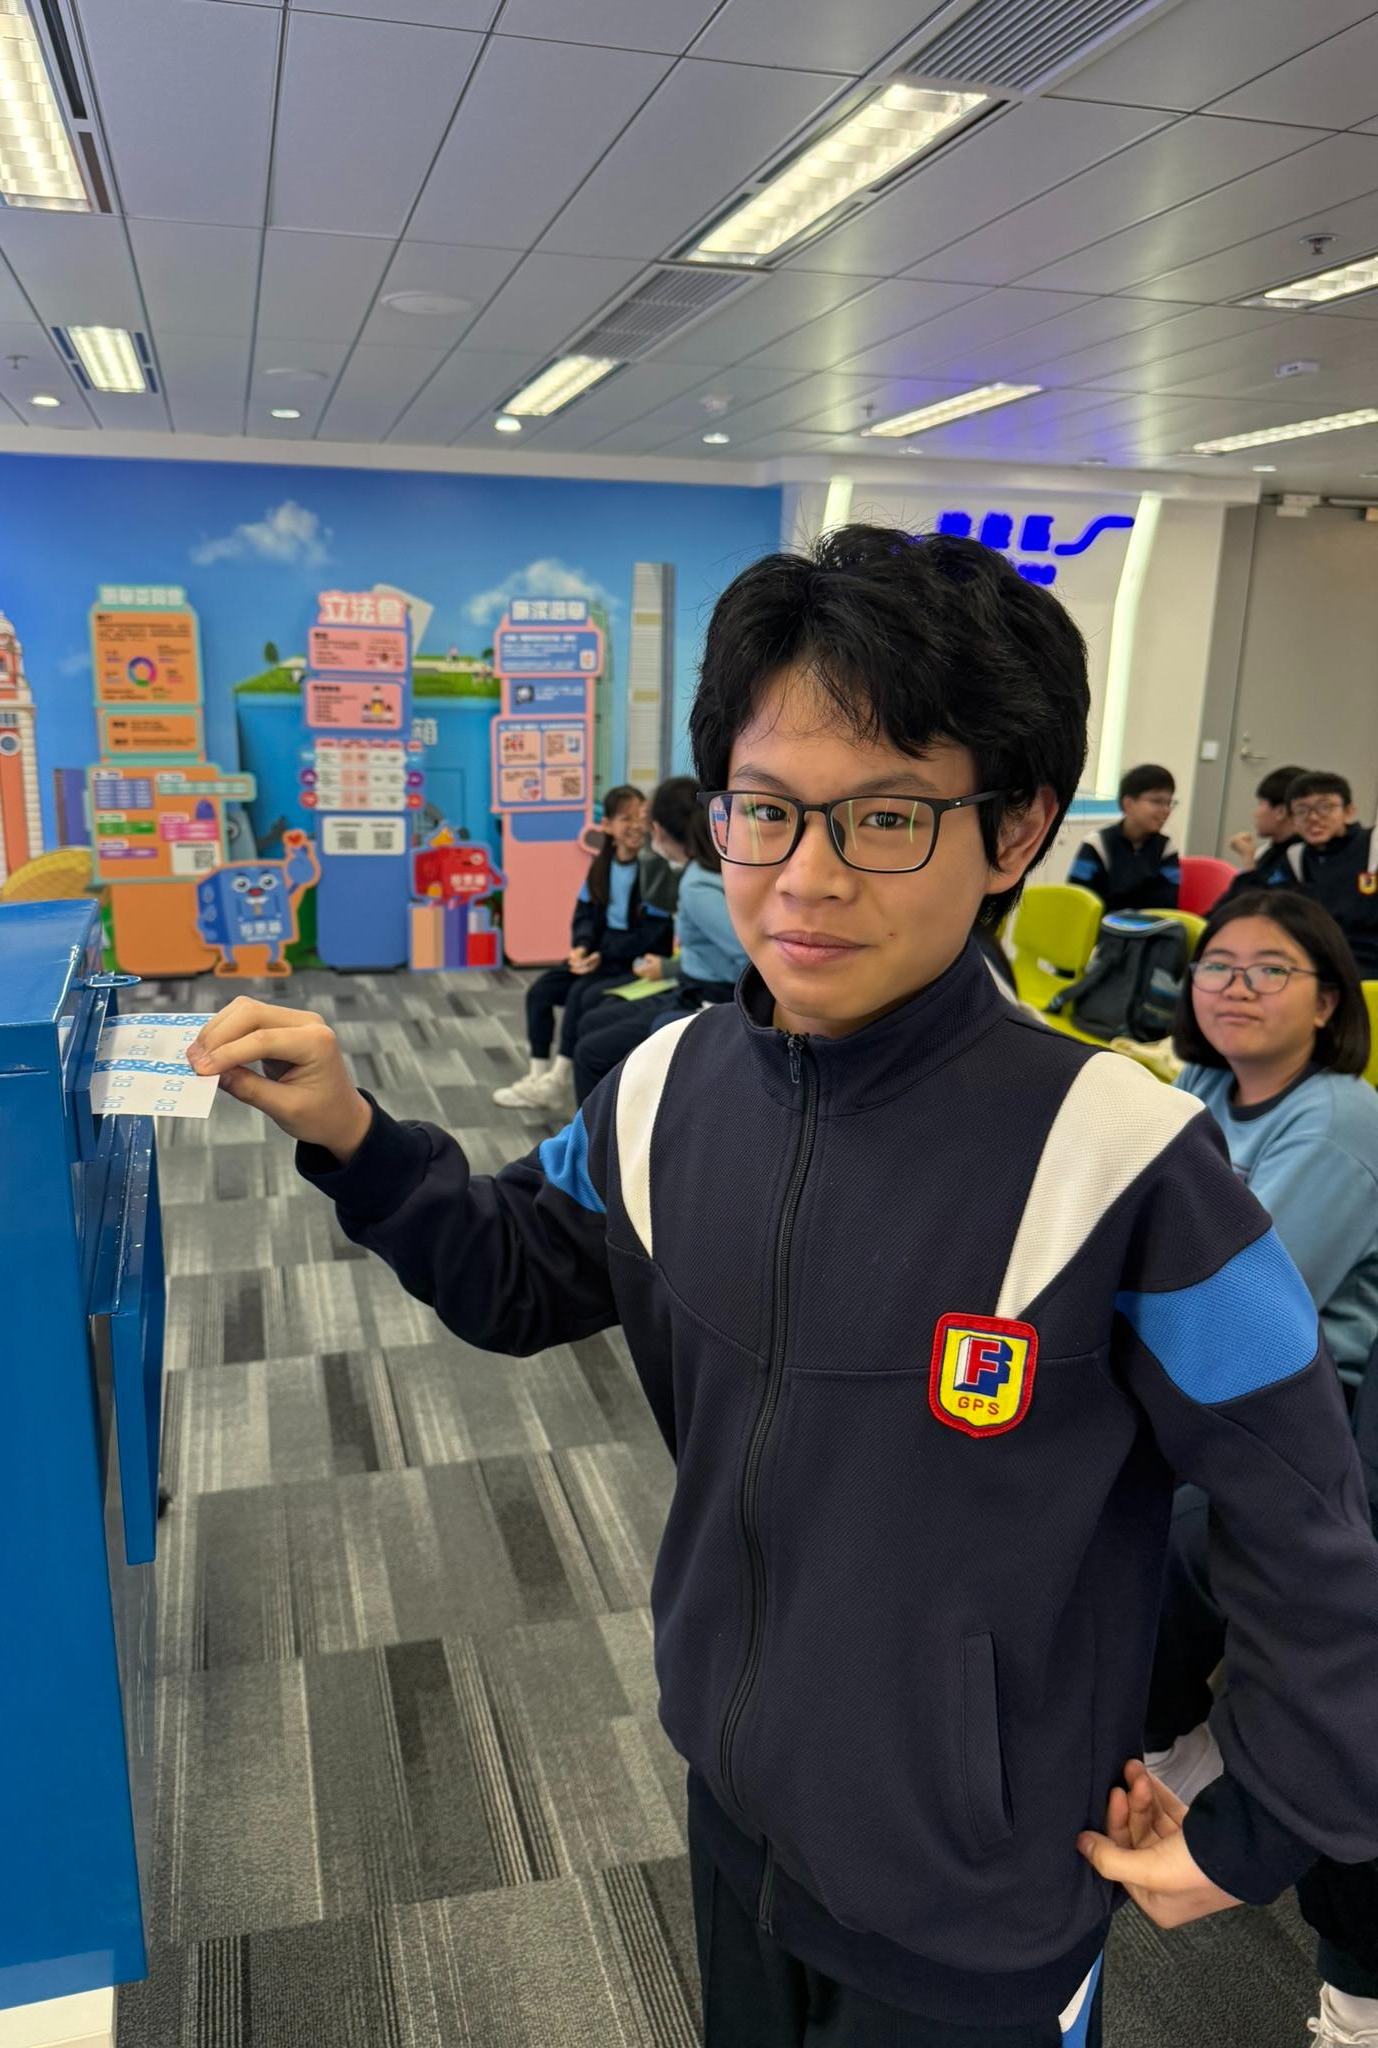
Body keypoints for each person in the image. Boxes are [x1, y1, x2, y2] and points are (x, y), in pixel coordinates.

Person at [185, 526, 1378, 2048]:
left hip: (978, 1894)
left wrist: (1260, 1820)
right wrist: (356, 1134)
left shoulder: (1125, 1159)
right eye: (766, 810)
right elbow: (514, 1276)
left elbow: (1310, 1523)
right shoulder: (666, 1085)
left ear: (1015, 829)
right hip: (736, 1808)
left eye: (886, 817)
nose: (807, 879)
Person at [1147, 890, 1378, 2047]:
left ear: (1328, 1000)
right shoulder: (1201, 1088)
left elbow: (1243, 1300)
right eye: (1217, 964)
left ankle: (1175, 1729)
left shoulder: (1339, 1121)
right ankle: (1170, 1727)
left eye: (1268, 969)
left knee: (1157, 1525)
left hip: (1300, 1402)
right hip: (1210, 1377)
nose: (1233, 986)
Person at [491, 785, 670, 1115]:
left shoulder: (654, 869)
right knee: (540, 993)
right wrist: (581, 948)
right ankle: (538, 1077)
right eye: (625, 818)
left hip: (632, 961)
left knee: (581, 995)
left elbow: (654, 933)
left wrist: (604, 954)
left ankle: (557, 1080)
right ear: (608, 826)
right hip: (599, 955)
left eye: (639, 818)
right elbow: (584, 915)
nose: (635, 826)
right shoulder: (600, 866)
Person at [571, 775, 749, 1105]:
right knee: (593, 1018)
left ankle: (605, 1134)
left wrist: (669, 970)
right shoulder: (703, 870)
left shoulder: (696, 885)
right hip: (692, 985)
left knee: (589, 1051)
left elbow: (748, 955)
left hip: (708, 998)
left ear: (659, 831)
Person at [1259, 771, 1378, 977]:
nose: (1313, 818)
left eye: (1325, 807)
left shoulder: (1373, 845)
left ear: (1349, 812)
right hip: (1314, 963)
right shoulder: (1295, 858)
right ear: (1292, 821)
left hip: (1368, 963)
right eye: (1302, 811)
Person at [1066, 763, 1181, 912]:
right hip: (1101, 924)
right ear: (1128, 804)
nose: (1166, 810)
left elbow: (1167, 905)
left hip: (1150, 925)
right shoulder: (1097, 844)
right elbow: (1078, 899)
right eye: (1157, 801)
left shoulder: (1166, 849)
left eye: (1169, 803)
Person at [1224, 763, 1304, 898]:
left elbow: (1253, 904)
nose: (1255, 813)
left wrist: (1248, 861)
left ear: (1281, 812)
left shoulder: (1298, 859)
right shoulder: (1269, 851)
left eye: (1260, 804)